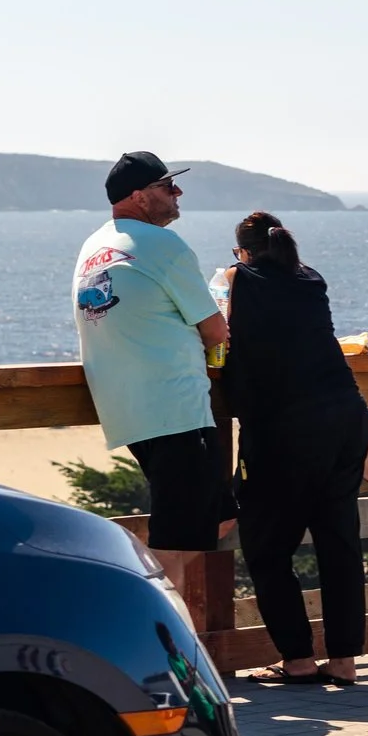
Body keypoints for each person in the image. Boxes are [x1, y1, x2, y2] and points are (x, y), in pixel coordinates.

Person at [220, 212, 368, 687]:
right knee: (338, 543)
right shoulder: (312, 278)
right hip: (345, 419)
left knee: (266, 548)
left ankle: (299, 660)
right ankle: (344, 661)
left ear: (242, 251)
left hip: (282, 428)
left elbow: (215, 333)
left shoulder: (234, 278)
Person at [72, 151, 231, 606]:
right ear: (140, 198)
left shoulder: (93, 246)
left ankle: (178, 640)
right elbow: (215, 330)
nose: (177, 193)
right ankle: (171, 652)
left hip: (127, 412)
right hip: (175, 409)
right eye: (167, 186)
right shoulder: (166, 246)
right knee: (173, 545)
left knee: (214, 518)